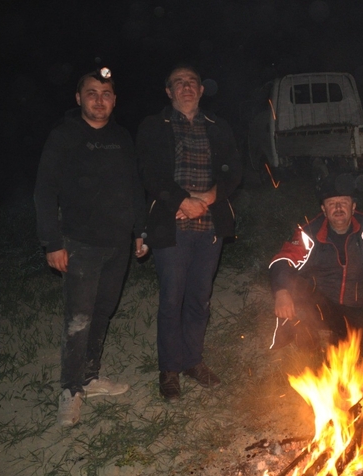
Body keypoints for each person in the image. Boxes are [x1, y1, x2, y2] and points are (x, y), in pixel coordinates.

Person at [34, 68, 148, 426]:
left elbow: (134, 186)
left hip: (118, 244)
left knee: (103, 312)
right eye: (92, 93)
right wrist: (52, 243)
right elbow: (43, 191)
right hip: (80, 244)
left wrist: (140, 230)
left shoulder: (121, 137)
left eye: (107, 93)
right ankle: (69, 391)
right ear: (79, 98)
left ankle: (90, 376)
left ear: (115, 100)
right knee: (78, 319)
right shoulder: (64, 135)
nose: (100, 100)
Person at [137, 64, 242, 401]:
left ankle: (193, 361)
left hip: (209, 225)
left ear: (200, 90)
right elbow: (149, 173)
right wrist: (181, 200)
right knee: (172, 298)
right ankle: (169, 369)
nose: (186, 87)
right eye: (178, 83)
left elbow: (233, 170)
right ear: (169, 92)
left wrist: (210, 198)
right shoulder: (155, 126)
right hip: (173, 225)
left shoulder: (218, 126)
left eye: (192, 82)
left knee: (200, 297)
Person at [269, 176, 363, 356]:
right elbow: (282, 260)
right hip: (322, 304)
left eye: (343, 202)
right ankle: (309, 347)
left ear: (353, 207)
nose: (338, 208)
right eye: (332, 203)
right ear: (323, 209)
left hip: (361, 307)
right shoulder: (309, 231)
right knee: (297, 292)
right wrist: (281, 291)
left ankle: (341, 339)